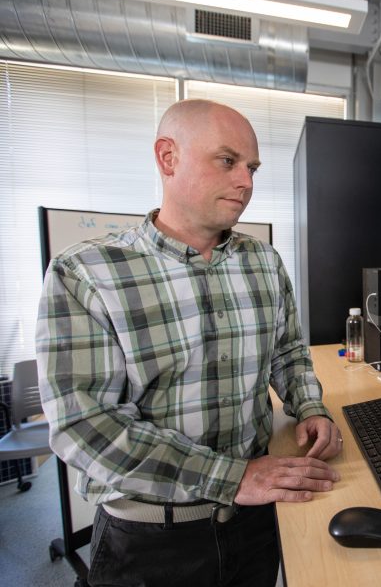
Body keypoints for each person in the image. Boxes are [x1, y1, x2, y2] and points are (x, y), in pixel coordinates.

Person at [36, 99, 343, 586]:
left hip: (256, 522)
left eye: (252, 167)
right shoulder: (87, 272)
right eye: (228, 161)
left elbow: (287, 352)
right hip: (151, 541)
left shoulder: (264, 261)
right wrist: (235, 477)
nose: (246, 182)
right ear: (167, 158)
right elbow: (84, 425)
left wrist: (311, 408)